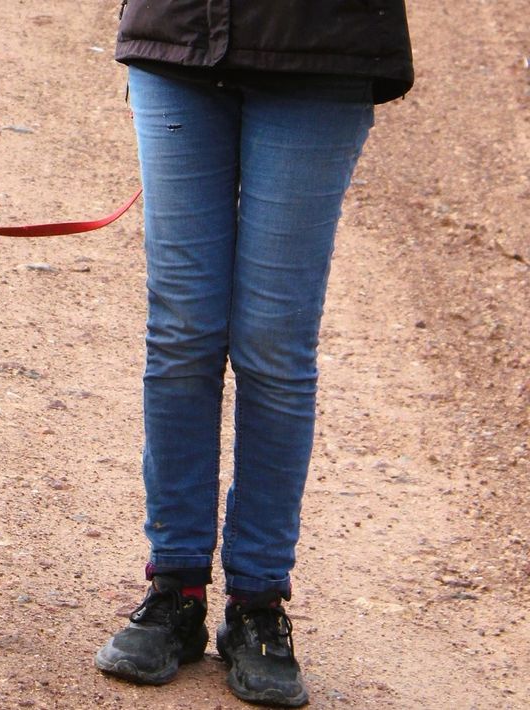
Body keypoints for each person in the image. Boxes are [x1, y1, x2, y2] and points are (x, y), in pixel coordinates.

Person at [94, 2, 413, 706]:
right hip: (177, 38)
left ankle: (258, 605)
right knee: (182, 332)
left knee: (274, 345)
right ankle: (175, 588)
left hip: (323, 49)